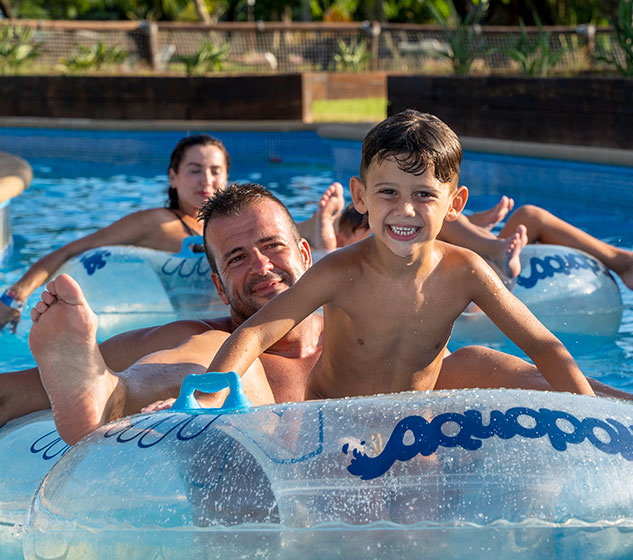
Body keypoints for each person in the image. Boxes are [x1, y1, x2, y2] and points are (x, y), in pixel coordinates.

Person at [20, 182, 633, 446]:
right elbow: (14, 393)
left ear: (306, 251)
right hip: (254, 469)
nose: (259, 268)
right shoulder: (204, 330)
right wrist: (72, 374)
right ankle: (108, 398)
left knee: (476, 366)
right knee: (208, 365)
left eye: (270, 249)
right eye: (236, 261)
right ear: (220, 285)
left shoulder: (374, 306)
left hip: (397, 476)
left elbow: (539, 348)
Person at [203, 110, 596, 405]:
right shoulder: (340, 271)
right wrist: (202, 404)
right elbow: (254, 333)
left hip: (411, 426)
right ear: (360, 197)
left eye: (423, 195)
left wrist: (589, 413)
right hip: (330, 422)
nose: (405, 210)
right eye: (388, 192)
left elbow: (544, 347)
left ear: (455, 203)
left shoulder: (466, 272)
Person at [0, 134, 230, 332]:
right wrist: (15, 296)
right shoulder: (159, 222)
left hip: (231, 324)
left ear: (227, 177)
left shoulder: (231, 224)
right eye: (195, 170)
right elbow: (71, 250)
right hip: (193, 331)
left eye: (215, 171)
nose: (207, 180)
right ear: (173, 177)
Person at [307, 181, 633, 288]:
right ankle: (489, 245)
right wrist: (326, 231)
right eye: (360, 230)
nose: (401, 218)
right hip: (467, 281)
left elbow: (423, 226)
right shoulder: (339, 269)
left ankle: (625, 262)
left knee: (529, 215)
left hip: (480, 262)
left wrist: (475, 223)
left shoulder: (409, 236)